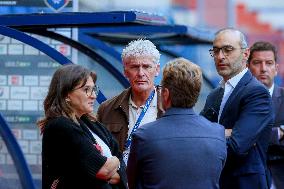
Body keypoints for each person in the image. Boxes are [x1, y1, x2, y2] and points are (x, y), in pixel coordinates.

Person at [127, 57, 227, 189]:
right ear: (196, 93)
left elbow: (133, 182)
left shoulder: (144, 136)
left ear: (166, 94)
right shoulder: (217, 133)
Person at [201, 28, 273, 189]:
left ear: (246, 54)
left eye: (228, 50)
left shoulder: (257, 93)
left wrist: (211, 132)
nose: (220, 56)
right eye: (216, 51)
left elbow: (237, 146)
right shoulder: (214, 94)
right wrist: (224, 131)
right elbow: (196, 132)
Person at [38, 64, 127, 189]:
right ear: (66, 94)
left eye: (93, 89)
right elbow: (104, 170)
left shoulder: (92, 124)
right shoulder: (61, 125)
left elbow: (121, 163)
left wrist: (115, 163)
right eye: (86, 90)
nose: (93, 96)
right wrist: (115, 162)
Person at [97, 39, 164, 162]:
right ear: (125, 71)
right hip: (120, 178)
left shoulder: (170, 106)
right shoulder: (107, 109)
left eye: (146, 66)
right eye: (134, 67)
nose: (140, 73)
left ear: (157, 70)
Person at [247, 41, 284, 189]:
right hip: (249, 179)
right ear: (248, 67)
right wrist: (278, 134)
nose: (263, 69)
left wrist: (253, 136)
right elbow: (239, 141)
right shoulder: (238, 101)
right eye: (257, 63)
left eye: (269, 63)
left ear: (276, 68)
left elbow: (246, 137)